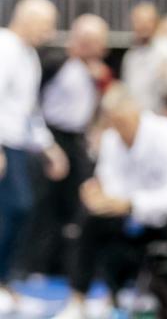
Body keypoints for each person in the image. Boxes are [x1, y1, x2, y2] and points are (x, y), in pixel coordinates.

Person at [54, 84, 167, 319]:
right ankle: (78, 300)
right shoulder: (112, 140)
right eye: (113, 121)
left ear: (136, 112)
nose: (118, 126)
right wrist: (100, 198)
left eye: (122, 119)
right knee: (92, 219)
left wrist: (130, 203)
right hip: (143, 218)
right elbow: (112, 183)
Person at [24, 14, 111, 276]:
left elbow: (96, 108)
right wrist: (45, 144)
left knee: (75, 206)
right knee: (45, 203)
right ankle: (34, 266)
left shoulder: (96, 72)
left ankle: (65, 265)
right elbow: (32, 101)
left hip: (77, 139)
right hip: (52, 136)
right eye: (88, 40)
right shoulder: (57, 63)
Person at [0, 0, 69, 313]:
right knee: (13, 209)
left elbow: (28, 110)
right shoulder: (4, 46)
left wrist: (48, 147)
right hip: (4, 144)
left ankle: (5, 281)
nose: (50, 32)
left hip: (18, 145)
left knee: (20, 211)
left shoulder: (28, 56)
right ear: (26, 18)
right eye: (46, 25)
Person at [120, 2, 167, 114]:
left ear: (156, 23)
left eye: (147, 21)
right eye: (138, 21)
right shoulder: (131, 56)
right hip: (137, 117)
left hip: (162, 116)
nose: (142, 26)